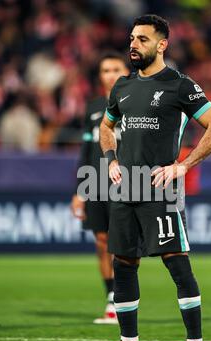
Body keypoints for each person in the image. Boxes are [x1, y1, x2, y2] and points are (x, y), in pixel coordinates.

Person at [93, 14, 211, 341]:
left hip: (161, 190)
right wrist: (110, 158)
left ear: (162, 44)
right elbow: (106, 128)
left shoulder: (180, 85)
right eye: (132, 38)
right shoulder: (122, 86)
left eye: (141, 39)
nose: (133, 44)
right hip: (126, 190)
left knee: (177, 265)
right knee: (123, 263)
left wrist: (182, 166)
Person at [71, 53, 128, 324]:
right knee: (102, 241)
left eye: (116, 68)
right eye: (105, 70)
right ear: (100, 75)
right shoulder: (93, 107)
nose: (110, 74)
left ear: (126, 71)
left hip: (127, 182)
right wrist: (79, 191)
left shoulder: (135, 103)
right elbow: (86, 150)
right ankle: (111, 298)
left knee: (123, 244)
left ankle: (125, 299)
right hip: (94, 182)